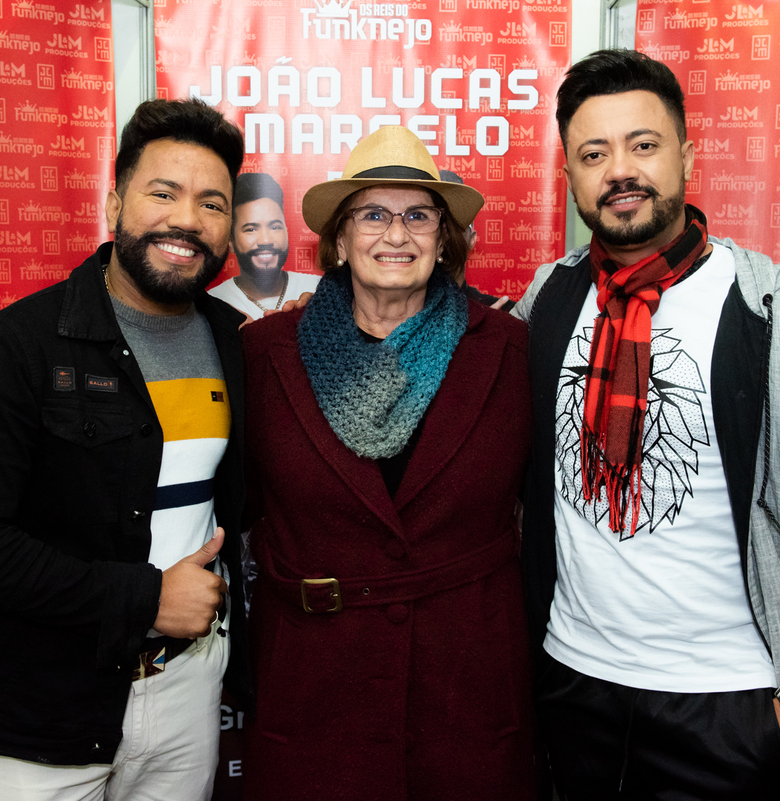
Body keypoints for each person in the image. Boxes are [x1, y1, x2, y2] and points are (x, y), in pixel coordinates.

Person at [513, 49, 780, 799]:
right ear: (570, 175)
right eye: (594, 153)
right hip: (572, 685)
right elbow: (464, 354)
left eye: (643, 144)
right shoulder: (549, 297)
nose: (621, 171)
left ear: (687, 155)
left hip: (727, 704)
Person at [0, 98, 251, 801]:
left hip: (188, 688)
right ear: (114, 204)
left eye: (212, 203)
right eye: (163, 193)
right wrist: (145, 598)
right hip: (40, 704)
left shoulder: (236, 341)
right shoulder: (23, 342)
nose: (187, 220)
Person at [240, 125, 537, 800]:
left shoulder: (509, 351)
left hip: (466, 698)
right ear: (340, 241)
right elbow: (239, 508)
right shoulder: (265, 354)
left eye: (418, 216)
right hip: (314, 696)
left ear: (444, 240)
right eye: (372, 215)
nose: (396, 235)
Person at [208, 172, 319, 319]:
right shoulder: (213, 304)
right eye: (251, 229)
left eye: (275, 227)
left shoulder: (319, 289)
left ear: (286, 231)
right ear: (231, 241)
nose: (266, 240)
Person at [438, 169, 514, 311]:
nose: (446, 235)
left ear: (472, 239)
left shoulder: (504, 312)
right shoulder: (400, 312)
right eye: (438, 224)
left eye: (456, 225)